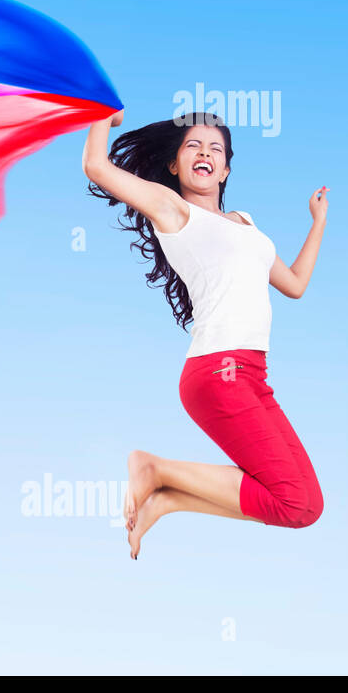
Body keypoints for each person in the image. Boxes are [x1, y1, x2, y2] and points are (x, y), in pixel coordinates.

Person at [82, 110, 328, 559]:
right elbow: (97, 167)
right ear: (175, 165)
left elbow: (293, 284)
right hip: (219, 371)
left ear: (226, 169)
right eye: (193, 146)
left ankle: (169, 498)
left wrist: (317, 223)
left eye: (215, 149)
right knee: (291, 500)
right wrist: (101, 117)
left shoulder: (244, 223)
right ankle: (154, 468)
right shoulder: (173, 211)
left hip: (253, 375)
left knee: (306, 505)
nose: (205, 153)